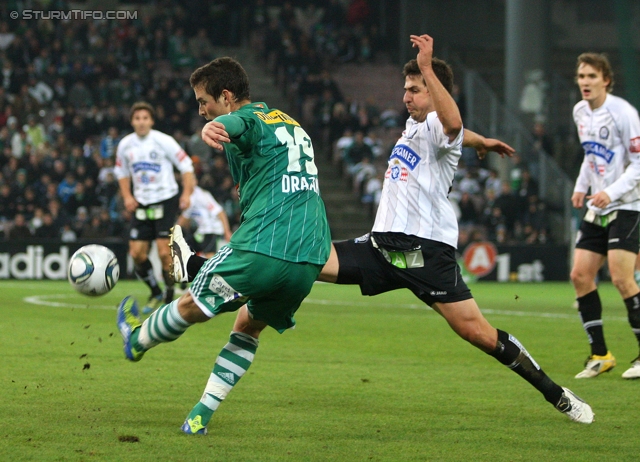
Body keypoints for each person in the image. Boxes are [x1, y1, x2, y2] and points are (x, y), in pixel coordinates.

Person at [169, 35, 595, 424]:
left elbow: (450, 126)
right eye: (406, 88)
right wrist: (481, 143)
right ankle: (201, 268)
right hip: (382, 248)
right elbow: (457, 134)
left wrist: (431, 72)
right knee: (297, 255)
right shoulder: (415, 127)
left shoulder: (436, 124)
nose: (405, 96)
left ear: (434, 91)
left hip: (424, 255)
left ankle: (557, 394)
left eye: (415, 89)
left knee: (478, 334)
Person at [117, 57, 331, 435]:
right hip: (311, 253)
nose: (201, 111)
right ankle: (200, 414)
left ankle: (138, 339)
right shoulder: (290, 123)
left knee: (191, 305)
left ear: (227, 96)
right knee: (248, 326)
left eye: (204, 102)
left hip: (266, 242)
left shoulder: (244, 119)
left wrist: (213, 128)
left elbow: (238, 122)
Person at [569, 52, 640, 379]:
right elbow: (590, 155)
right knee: (580, 275)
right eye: (582, 76)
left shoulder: (624, 113)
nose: (585, 82)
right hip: (598, 205)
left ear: (606, 80)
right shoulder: (580, 112)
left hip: (627, 204)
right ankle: (601, 354)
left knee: (623, 278)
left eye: (592, 77)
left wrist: (611, 192)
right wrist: (582, 186)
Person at [114, 101, 195, 313]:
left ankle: (168, 290)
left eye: (145, 118)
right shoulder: (125, 145)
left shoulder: (163, 141)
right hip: (141, 202)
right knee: (136, 254)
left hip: (165, 200)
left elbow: (186, 166)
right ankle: (155, 291)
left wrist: (186, 193)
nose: (141, 122)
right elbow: (121, 173)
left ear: (151, 121)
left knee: (163, 254)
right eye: (137, 118)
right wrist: (127, 196)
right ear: (132, 121)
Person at [177, 185, 233, 258]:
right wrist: (173, 233)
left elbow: (220, 212)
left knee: (209, 255)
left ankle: (211, 266)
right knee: (186, 249)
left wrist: (227, 231)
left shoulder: (202, 196)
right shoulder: (188, 197)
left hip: (212, 230)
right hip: (201, 231)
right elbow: (184, 217)